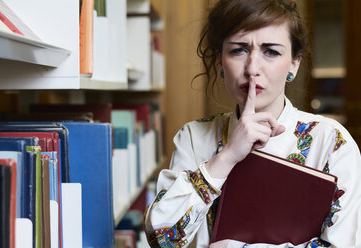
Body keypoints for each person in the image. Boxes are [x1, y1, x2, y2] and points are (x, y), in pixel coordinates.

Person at [143, 0, 361, 247]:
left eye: (271, 51)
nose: (252, 68)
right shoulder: (194, 136)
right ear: (220, 61)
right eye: (238, 50)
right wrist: (227, 156)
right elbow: (161, 240)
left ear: (294, 64)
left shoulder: (332, 141)